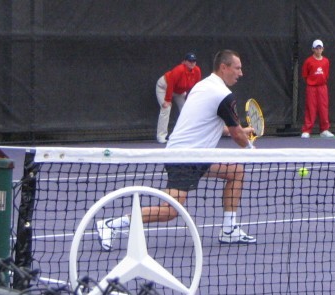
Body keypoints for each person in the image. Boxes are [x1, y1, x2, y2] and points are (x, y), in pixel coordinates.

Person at [97, 50, 257, 251]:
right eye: (237, 68)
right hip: (183, 157)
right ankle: (112, 225)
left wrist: (242, 131)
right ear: (223, 67)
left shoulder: (203, 86)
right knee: (170, 211)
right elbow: (236, 135)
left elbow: (207, 125)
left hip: (196, 156)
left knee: (235, 172)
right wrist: (251, 149)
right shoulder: (222, 94)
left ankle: (229, 229)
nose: (241, 73)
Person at [155, 52, 202, 143]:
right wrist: (167, 100)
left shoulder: (197, 71)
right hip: (164, 87)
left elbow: (196, 86)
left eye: (194, 61)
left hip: (179, 91)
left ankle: (185, 134)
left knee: (186, 110)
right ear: (184, 62)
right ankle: (161, 136)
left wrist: (192, 99)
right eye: (189, 61)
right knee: (166, 108)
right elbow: (171, 85)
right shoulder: (179, 70)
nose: (192, 63)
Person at [301, 39, 334, 138]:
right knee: (311, 108)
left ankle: (324, 129)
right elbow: (305, 74)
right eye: (316, 48)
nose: (318, 50)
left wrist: (321, 82)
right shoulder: (308, 61)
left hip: (322, 88)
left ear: (323, 49)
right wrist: (311, 83)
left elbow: (326, 74)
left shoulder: (326, 61)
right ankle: (307, 130)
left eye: (320, 48)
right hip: (311, 88)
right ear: (313, 49)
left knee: (323, 108)